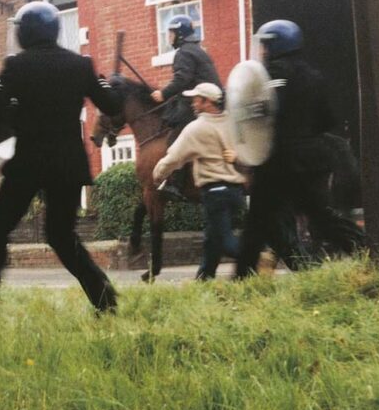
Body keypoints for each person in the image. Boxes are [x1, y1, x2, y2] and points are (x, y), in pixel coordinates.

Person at [0, 1, 122, 320]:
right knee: (61, 236)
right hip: (67, 164)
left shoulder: (16, 66)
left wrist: (9, 109)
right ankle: (103, 297)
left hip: (29, 163)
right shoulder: (80, 65)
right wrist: (106, 83)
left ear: (25, 32)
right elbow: (111, 105)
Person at [235, 20, 366, 277]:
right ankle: (369, 252)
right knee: (324, 219)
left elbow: (261, 116)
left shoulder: (269, 75)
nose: (263, 50)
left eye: (266, 45)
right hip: (310, 160)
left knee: (255, 224)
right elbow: (327, 120)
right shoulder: (313, 76)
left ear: (277, 45)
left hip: (277, 161)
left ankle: (241, 279)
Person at [151, 82, 245, 280]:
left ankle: (255, 257)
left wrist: (158, 174)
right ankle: (204, 279)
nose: (193, 103)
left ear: (208, 102)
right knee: (212, 240)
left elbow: (174, 157)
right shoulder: (233, 123)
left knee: (224, 241)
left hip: (215, 192)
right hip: (236, 192)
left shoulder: (196, 128)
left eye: (197, 99)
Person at [150, 15, 223, 200]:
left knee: (175, 139)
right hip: (212, 100)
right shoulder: (198, 50)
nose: (169, 37)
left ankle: (174, 184)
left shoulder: (184, 53)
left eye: (171, 33)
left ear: (180, 34)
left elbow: (182, 79)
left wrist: (163, 93)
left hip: (200, 102)